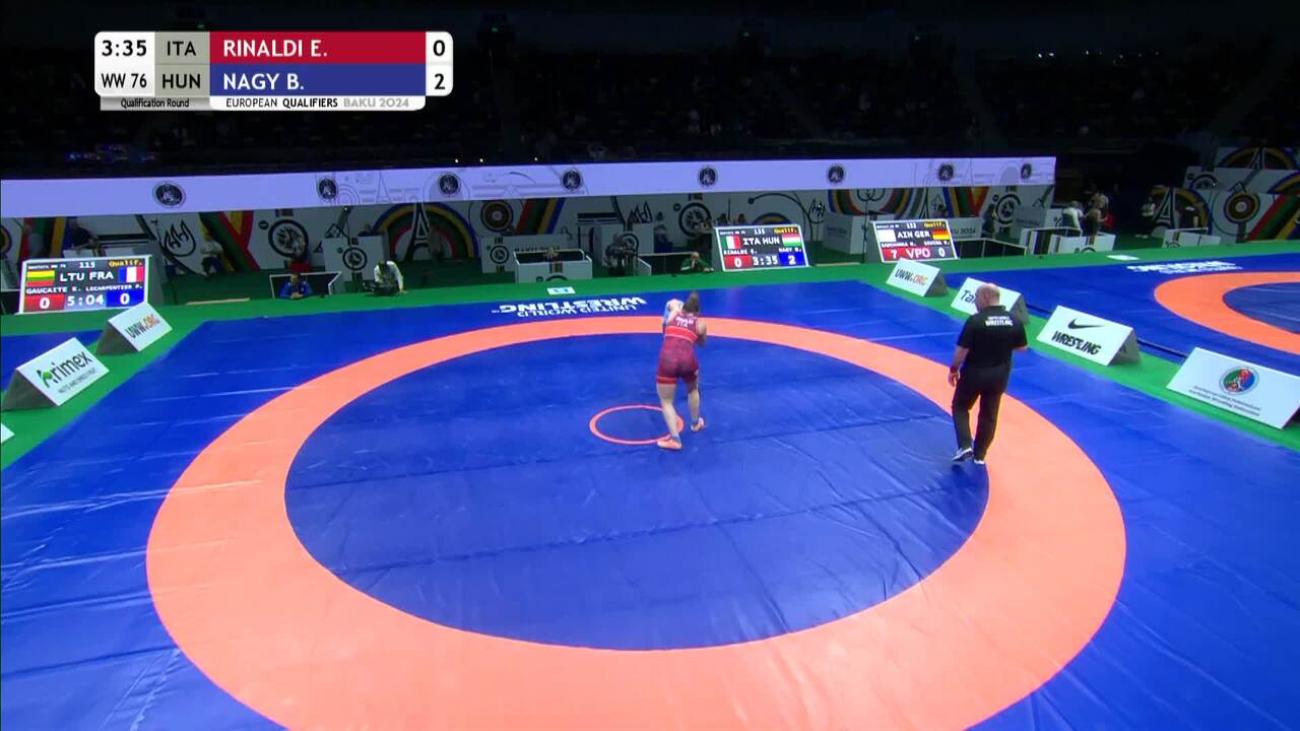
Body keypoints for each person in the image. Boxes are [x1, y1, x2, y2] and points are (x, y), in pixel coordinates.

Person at [948, 284, 1028, 465]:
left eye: (976, 298)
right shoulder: (1014, 319)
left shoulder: (976, 321)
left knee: (960, 406)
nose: (975, 302)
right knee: (989, 413)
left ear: (984, 297)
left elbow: (962, 350)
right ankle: (980, 455)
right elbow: (1022, 347)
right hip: (999, 374)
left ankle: (965, 445)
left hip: (974, 372)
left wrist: (954, 369)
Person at [655, 292, 707, 451]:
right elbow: (702, 343)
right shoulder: (700, 324)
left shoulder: (673, 314)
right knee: (693, 390)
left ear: (683, 307)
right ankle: (695, 423)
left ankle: (675, 440)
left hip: (668, 360)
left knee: (666, 401)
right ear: (698, 312)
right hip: (688, 361)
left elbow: (671, 302)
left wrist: (674, 308)